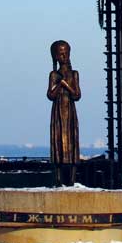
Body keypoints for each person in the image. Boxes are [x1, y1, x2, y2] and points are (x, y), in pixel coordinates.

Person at [47, 39, 81, 185]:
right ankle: (59, 178)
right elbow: (50, 95)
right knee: (58, 141)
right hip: (58, 112)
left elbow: (77, 95)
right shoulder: (54, 75)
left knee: (71, 142)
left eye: (66, 53)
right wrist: (58, 86)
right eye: (61, 54)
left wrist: (66, 85)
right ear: (55, 56)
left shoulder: (74, 74)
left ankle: (72, 178)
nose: (64, 56)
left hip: (70, 112)